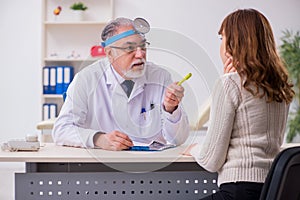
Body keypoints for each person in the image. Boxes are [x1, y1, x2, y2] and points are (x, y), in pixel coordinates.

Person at [184, 9, 294, 200]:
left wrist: (192, 149)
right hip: (273, 189)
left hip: (238, 191)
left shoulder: (230, 83)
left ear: (232, 45)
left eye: (222, 38)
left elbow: (211, 160)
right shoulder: (280, 87)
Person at [52, 17, 190, 151]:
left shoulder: (160, 77)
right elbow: (61, 130)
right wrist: (98, 139)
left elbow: (178, 140)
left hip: (149, 164)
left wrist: (171, 109)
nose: (140, 54)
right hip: (102, 164)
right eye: (130, 49)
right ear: (110, 53)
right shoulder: (87, 79)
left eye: (143, 47)